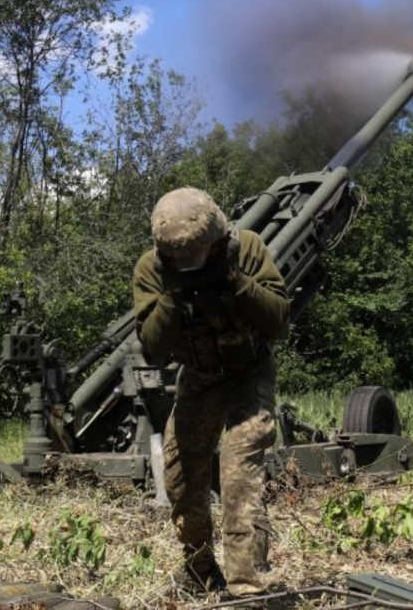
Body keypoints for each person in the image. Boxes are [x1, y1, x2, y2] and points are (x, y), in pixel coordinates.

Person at [132, 187, 291, 598]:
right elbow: (151, 346)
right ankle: (201, 571)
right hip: (199, 376)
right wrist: (173, 292)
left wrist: (233, 279)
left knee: (239, 473)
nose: (189, 264)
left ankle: (247, 586)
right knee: (181, 477)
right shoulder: (153, 269)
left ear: (217, 240)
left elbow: (278, 321)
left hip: (248, 373)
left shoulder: (247, 249)